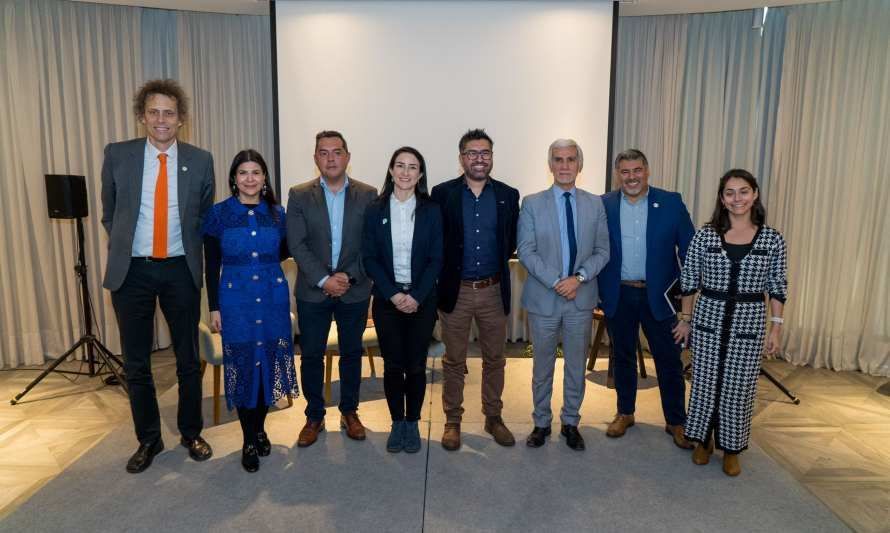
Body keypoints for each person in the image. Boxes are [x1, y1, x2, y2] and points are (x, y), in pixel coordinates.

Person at [101, 79, 214, 473]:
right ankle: (148, 439)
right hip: (131, 273)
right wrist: (126, 248)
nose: (161, 120)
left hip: (180, 271)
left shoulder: (201, 160)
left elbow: (202, 218)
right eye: (153, 112)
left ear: (181, 119)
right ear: (142, 117)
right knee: (137, 364)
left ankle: (191, 432)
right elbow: (109, 213)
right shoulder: (118, 154)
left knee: (187, 360)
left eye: (169, 113)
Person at [674, 169, 787, 477]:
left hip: (749, 321)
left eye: (743, 191)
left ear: (755, 195)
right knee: (705, 381)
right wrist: (685, 320)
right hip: (709, 316)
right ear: (722, 199)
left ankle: (732, 448)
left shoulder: (772, 239)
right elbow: (689, 281)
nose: (737, 198)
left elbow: (777, 285)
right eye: (730, 193)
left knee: (739, 387)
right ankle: (703, 441)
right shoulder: (704, 235)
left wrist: (775, 328)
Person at [202, 150, 298, 472]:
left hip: (272, 299)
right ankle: (247, 438)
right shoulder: (218, 214)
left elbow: (286, 252)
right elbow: (211, 263)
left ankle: (260, 428)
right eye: (243, 173)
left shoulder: (278, 214)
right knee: (243, 366)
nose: (250, 178)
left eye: (256, 172)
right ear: (234, 178)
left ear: (265, 178)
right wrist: (214, 306)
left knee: (266, 366)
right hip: (236, 301)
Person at [597, 149, 696, 449]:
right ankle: (625, 412)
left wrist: (687, 306)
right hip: (619, 293)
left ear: (647, 170)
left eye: (637, 170)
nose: (631, 177)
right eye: (625, 172)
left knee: (668, 360)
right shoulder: (604, 205)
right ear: (618, 175)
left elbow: (690, 253)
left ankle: (676, 421)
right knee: (623, 356)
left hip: (660, 297)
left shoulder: (671, 202)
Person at [517, 139, 610, 451]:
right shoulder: (531, 203)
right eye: (558, 159)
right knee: (541, 366)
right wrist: (559, 281)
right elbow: (526, 252)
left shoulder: (595, 204)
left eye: (571, 159)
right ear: (550, 165)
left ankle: (571, 422)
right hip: (545, 298)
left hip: (580, 299)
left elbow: (602, 251)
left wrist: (579, 278)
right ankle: (541, 423)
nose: (565, 165)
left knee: (574, 366)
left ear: (579, 165)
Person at [286, 131, 377, 447]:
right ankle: (314, 416)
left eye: (337, 152)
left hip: (354, 290)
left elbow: (370, 245)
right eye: (323, 153)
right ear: (315, 159)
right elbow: (296, 243)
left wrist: (347, 279)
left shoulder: (368, 195)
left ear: (348, 157)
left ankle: (350, 412)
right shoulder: (298, 195)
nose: (331, 158)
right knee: (311, 355)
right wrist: (325, 280)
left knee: (351, 353)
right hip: (313, 291)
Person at [431, 128, 520, 451]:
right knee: (454, 360)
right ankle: (452, 420)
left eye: (485, 153)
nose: (479, 159)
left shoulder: (509, 195)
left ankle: (493, 417)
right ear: (461, 158)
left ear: (492, 157)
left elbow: (510, 242)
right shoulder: (442, 194)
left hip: (494, 290)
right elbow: (435, 240)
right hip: (457, 290)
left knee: (495, 358)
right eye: (472, 153)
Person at [362, 147, 443, 453]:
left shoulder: (432, 210)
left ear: (420, 175)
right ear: (391, 171)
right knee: (394, 366)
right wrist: (394, 294)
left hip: (422, 300)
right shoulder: (375, 209)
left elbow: (437, 258)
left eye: (413, 167)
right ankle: (397, 423)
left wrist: (416, 296)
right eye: (400, 165)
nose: (406, 172)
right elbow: (369, 258)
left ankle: (413, 422)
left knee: (417, 365)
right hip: (387, 299)